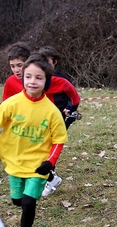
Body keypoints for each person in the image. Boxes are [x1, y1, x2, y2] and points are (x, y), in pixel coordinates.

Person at [0, 53, 68, 227]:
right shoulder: (11, 104)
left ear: (46, 81)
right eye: (28, 76)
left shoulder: (51, 111)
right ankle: (26, 205)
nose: (32, 81)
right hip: (14, 162)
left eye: (38, 77)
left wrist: (50, 162)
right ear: (23, 79)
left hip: (38, 166)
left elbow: (59, 139)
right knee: (17, 201)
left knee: (29, 203)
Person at [37, 46, 82, 197]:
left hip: (57, 118)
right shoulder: (37, 78)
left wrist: (69, 109)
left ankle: (50, 179)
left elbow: (73, 97)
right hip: (38, 119)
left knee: (49, 148)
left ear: (54, 62)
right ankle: (48, 177)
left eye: (47, 61)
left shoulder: (62, 80)